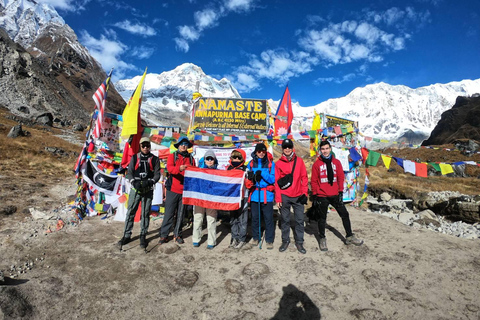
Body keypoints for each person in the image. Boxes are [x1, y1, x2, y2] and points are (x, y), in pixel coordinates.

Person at [310, 140, 363, 251]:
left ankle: (349, 236)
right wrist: (315, 195)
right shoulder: (317, 164)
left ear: (330, 149)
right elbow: (314, 181)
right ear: (320, 150)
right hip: (322, 195)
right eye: (323, 149)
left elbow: (340, 177)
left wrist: (340, 191)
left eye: (327, 148)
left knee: (345, 214)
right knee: (322, 218)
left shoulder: (337, 162)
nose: (325, 151)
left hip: (335, 194)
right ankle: (322, 238)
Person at [117, 137, 160, 249]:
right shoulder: (135, 158)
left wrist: (150, 182)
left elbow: (157, 174)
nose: (146, 147)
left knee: (145, 213)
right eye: (143, 145)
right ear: (140, 146)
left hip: (148, 190)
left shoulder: (155, 159)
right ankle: (126, 235)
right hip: (135, 190)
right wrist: (133, 182)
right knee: (131, 211)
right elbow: (129, 172)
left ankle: (143, 235)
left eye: (148, 145)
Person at [158, 136, 195, 244]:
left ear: (188, 146)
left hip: (184, 190)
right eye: (182, 143)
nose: (184, 145)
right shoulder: (172, 156)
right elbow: (169, 168)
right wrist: (179, 168)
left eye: (186, 144)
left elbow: (194, 172)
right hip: (173, 189)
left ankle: (177, 234)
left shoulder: (191, 159)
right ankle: (164, 235)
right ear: (178, 145)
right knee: (169, 213)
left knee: (181, 214)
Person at [275, 139, 309, 254]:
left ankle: (299, 242)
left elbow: (304, 178)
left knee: (299, 220)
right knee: (285, 220)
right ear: (282, 149)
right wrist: (278, 198)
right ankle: (285, 240)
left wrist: (305, 193)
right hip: (285, 196)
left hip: (298, 195)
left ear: (292, 148)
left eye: (289, 147)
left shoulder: (299, 161)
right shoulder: (278, 164)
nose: (287, 149)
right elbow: (277, 182)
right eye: (285, 147)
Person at [247, 143, 276, 249]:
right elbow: (247, 179)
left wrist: (262, 174)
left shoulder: (270, 164)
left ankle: (269, 240)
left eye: (263, 151)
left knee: (268, 218)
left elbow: (273, 179)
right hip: (255, 194)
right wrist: (251, 178)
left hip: (266, 195)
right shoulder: (250, 164)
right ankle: (255, 237)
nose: (261, 154)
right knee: (255, 218)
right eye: (259, 151)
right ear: (256, 152)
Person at [192, 150, 218, 249]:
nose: (210, 161)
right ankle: (196, 239)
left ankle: (211, 241)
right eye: (208, 158)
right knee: (198, 219)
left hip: (211, 200)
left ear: (214, 160)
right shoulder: (198, 171)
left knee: (211, 221)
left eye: (212, 159)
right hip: (200, 199)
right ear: (205, 160)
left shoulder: (218, 172)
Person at [226, 149, 250, 250]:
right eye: (234, 157)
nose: (236, 159)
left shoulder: (246, 170)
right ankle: (234, 237)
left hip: (243, 197)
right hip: (232, 197)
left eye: (238, 157)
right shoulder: (228, 169)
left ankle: (242, 239)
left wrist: (249, 182)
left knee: (242, 219)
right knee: (233, 219)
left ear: (242, 158)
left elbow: (249, 184)